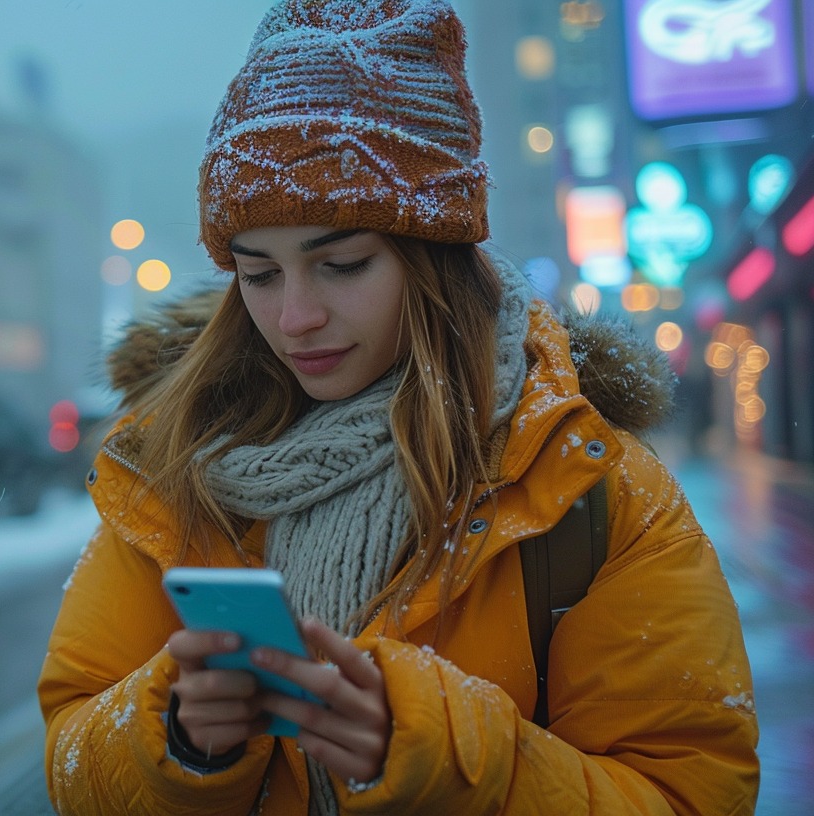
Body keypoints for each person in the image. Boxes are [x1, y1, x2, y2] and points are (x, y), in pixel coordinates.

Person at [37, 2, 760, 814]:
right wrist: (176, 736)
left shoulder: (582, 480)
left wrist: (437, 754)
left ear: (434, 259)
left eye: (341, 264)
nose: (294, 317)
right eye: (259, 274)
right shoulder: (175, 467)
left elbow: (687, 791)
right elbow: (72, 751)